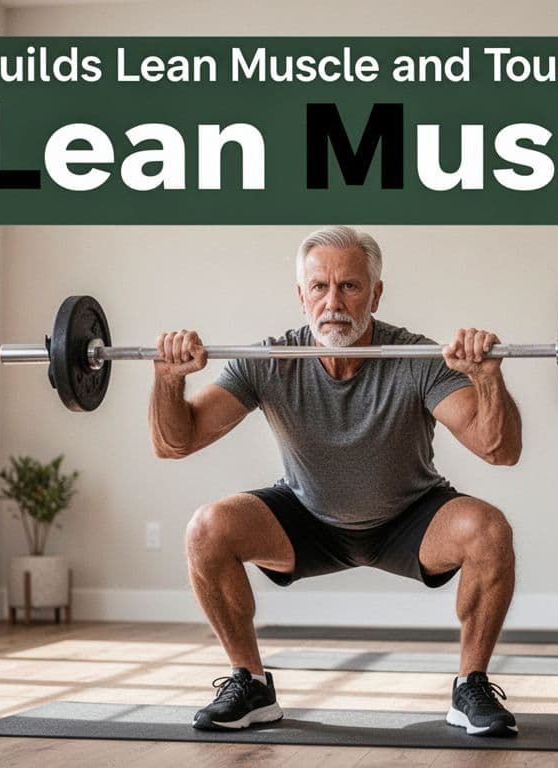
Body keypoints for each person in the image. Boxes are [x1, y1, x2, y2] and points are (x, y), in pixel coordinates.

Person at [149, 226, 523, 737]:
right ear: (301, 297)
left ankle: (471, 686)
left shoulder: (414, 359)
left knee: (490, 531)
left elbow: (499, 450)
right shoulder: (270, 361)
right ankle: (251, 683)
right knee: (207, 528)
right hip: (306, 518)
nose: (334, 302)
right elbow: (176, 442)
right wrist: (169, 380)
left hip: (409, 517)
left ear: (376, 293)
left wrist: (487, 377)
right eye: (319, 287)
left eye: (349, 286)